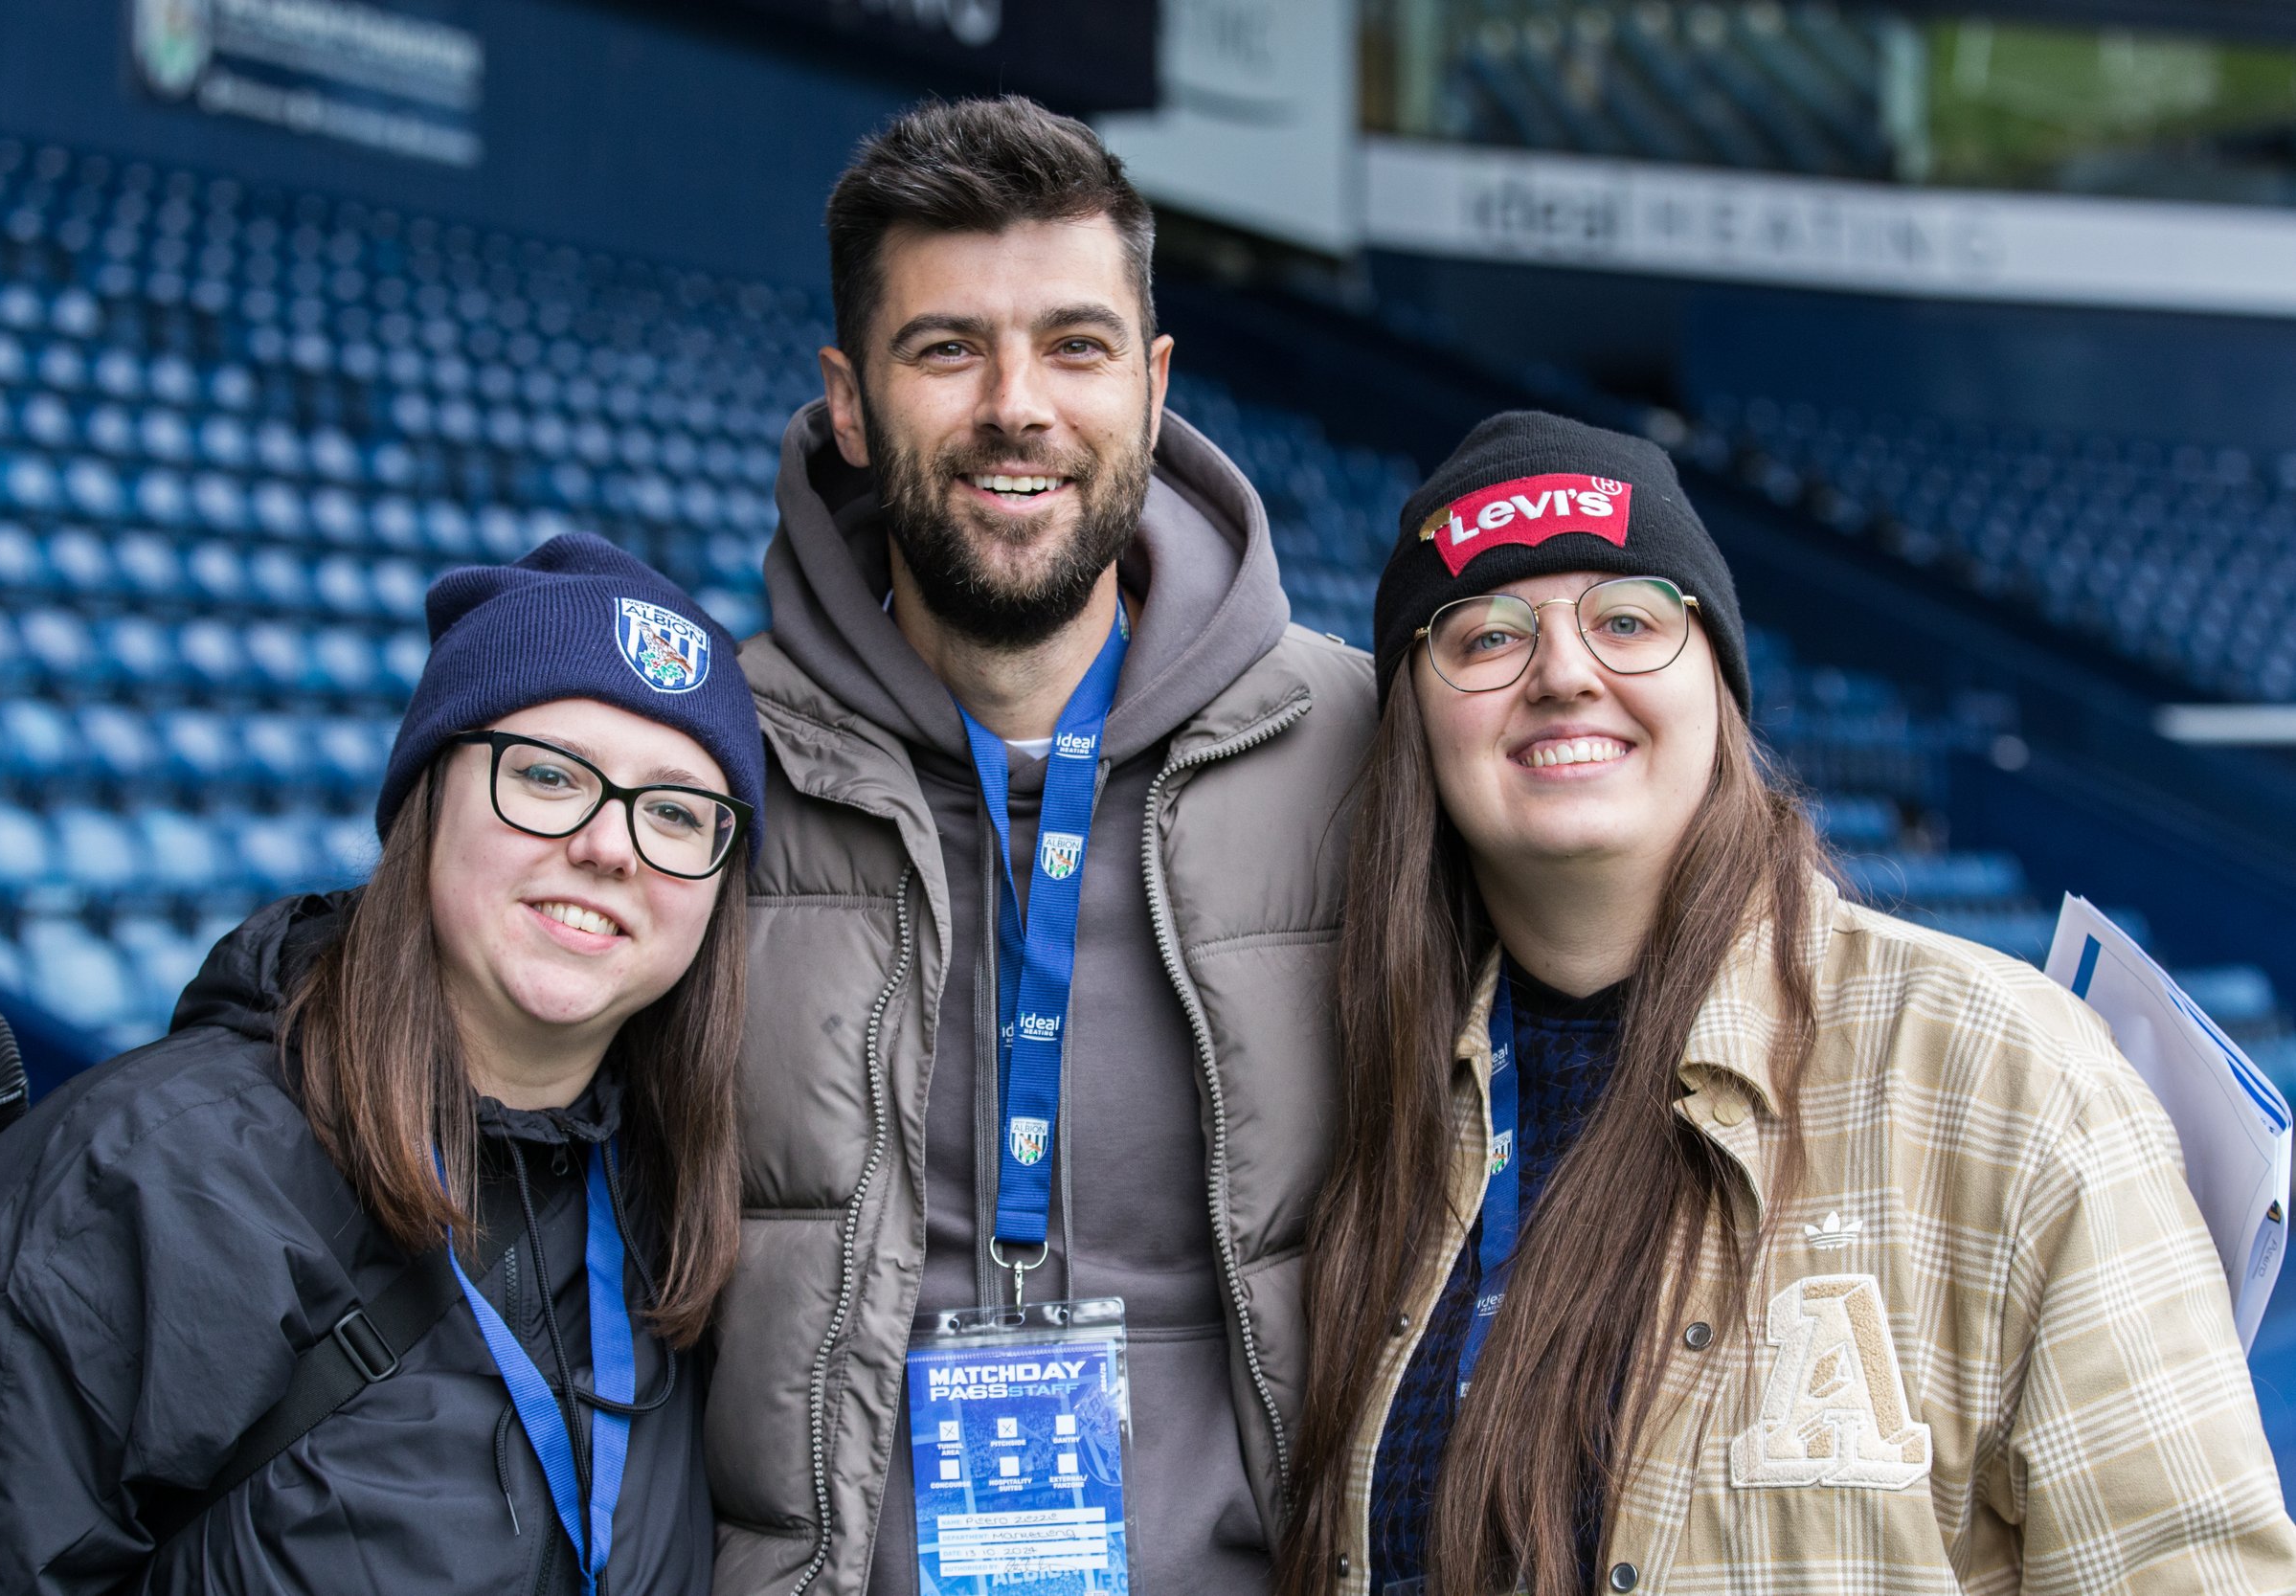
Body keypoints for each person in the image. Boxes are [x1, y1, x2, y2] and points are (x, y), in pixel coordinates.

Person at [1276, 412, 2296, 1596]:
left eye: (1627, 619)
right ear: (1415, 718)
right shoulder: (1364, 1096)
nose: (1562, 672)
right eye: (1488, 634)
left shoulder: (2006, 1070)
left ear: (1718, 682)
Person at [708, 97, 1376, 1596]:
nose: (1018, 404)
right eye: (948, 348)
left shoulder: (1362, 747)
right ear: (849, 403)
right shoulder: (709, 764)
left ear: (1151, 386)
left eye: (1075, 346)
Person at [0, 534, 763, 1594]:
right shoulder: (148, 1176)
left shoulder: (679, 1212)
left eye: (676, 811)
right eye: (547, 774)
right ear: (426, 800)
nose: (610, 845)